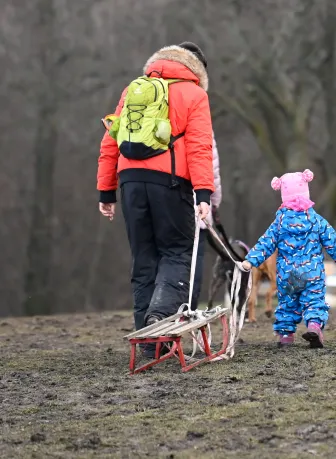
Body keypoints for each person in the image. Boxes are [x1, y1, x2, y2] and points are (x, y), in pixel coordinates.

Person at [97, 42, 214, 357]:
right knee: (177, 252)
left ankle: (148, 345)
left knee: (144, 256)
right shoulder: (195, 95)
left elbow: (111, 140)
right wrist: (204, 192)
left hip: (130, 181)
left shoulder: (133, 90)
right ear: (196, 70)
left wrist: (106, 191)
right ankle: (160, 318)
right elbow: (200, 146)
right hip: (171, 181)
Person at [241, 169, 336, 348]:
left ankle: (286, 337)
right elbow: (331, 239)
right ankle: (314, 327)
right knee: (314, 302)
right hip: (312, 272)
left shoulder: (279, 222)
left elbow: (266, 242)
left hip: (288, 273)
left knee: (287, 304)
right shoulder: (316, 220)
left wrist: (250, 260)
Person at [191, 134, 222, 310]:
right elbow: (213, 170)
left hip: (165, 209)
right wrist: (214, 203)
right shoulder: (202, 126)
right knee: (194, 266)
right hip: (198, 212)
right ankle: (189, 310)